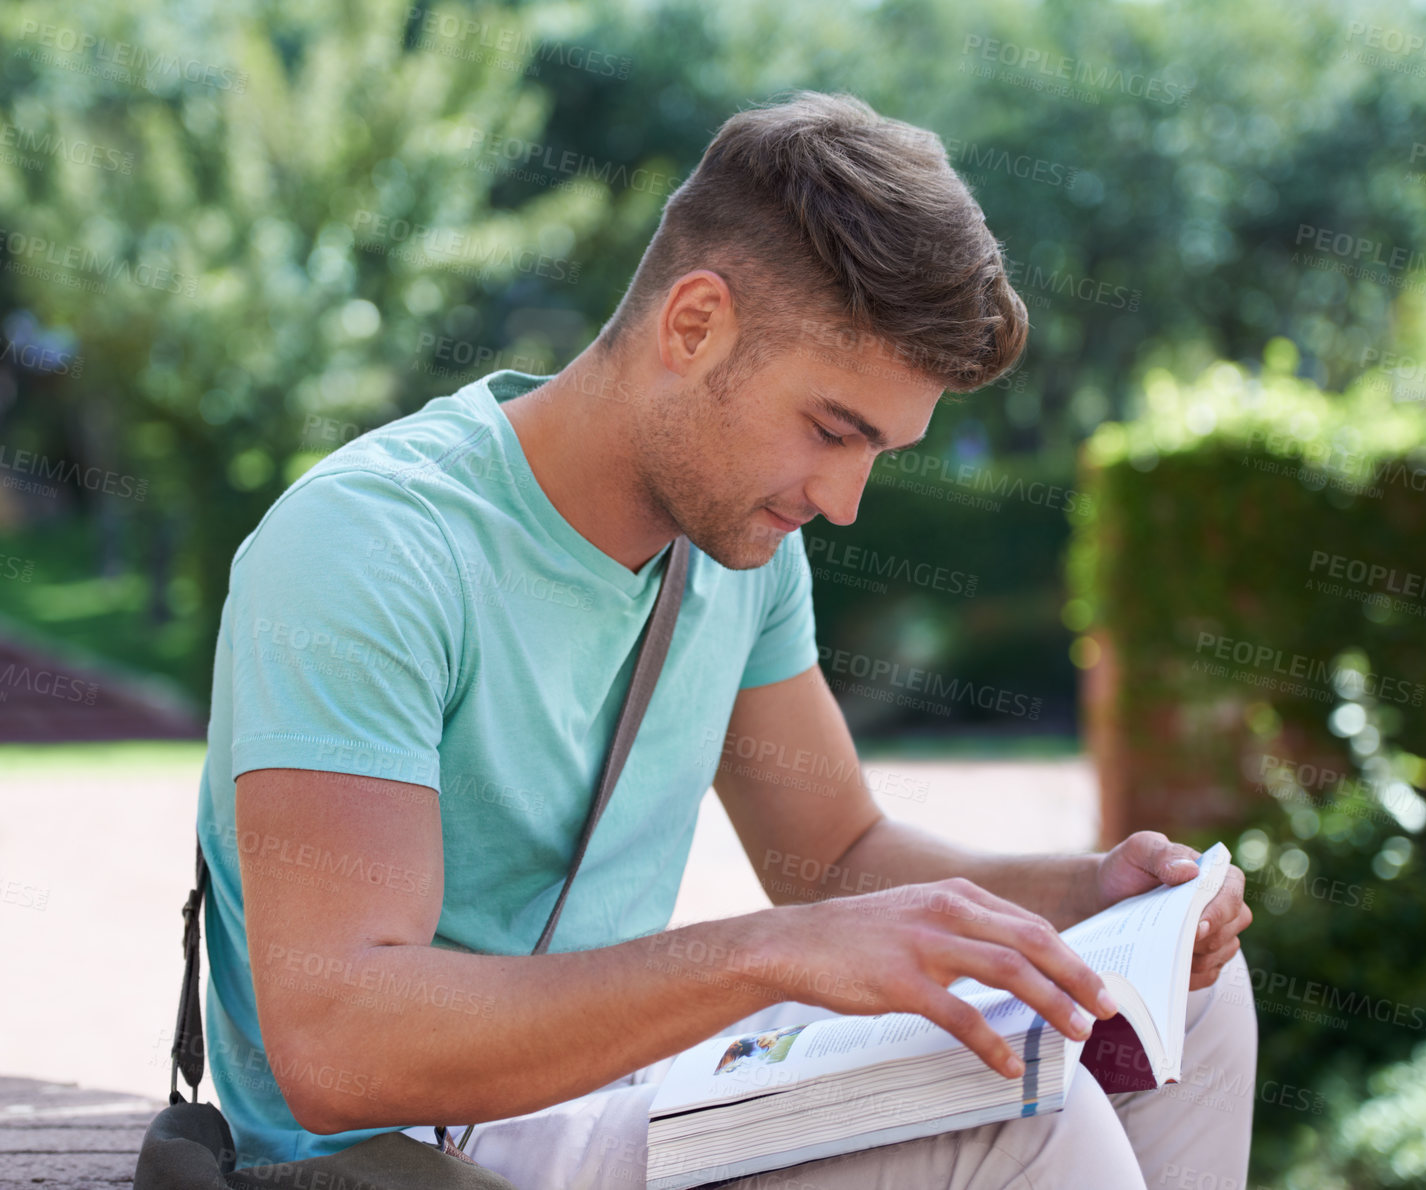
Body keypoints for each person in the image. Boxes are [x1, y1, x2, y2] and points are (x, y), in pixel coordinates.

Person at [196, 89, 1255, 1189]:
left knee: (1188, 997)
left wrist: (1087, 894)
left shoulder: (734, 551)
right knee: (1018, 1119)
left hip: (618, 1090)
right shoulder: (371, 546)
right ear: (693, 325)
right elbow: (338, 1045)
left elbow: (834, 855)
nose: (844, 499)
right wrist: (765, 952)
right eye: (831, 430)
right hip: (411, 1146)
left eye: (877, 451)